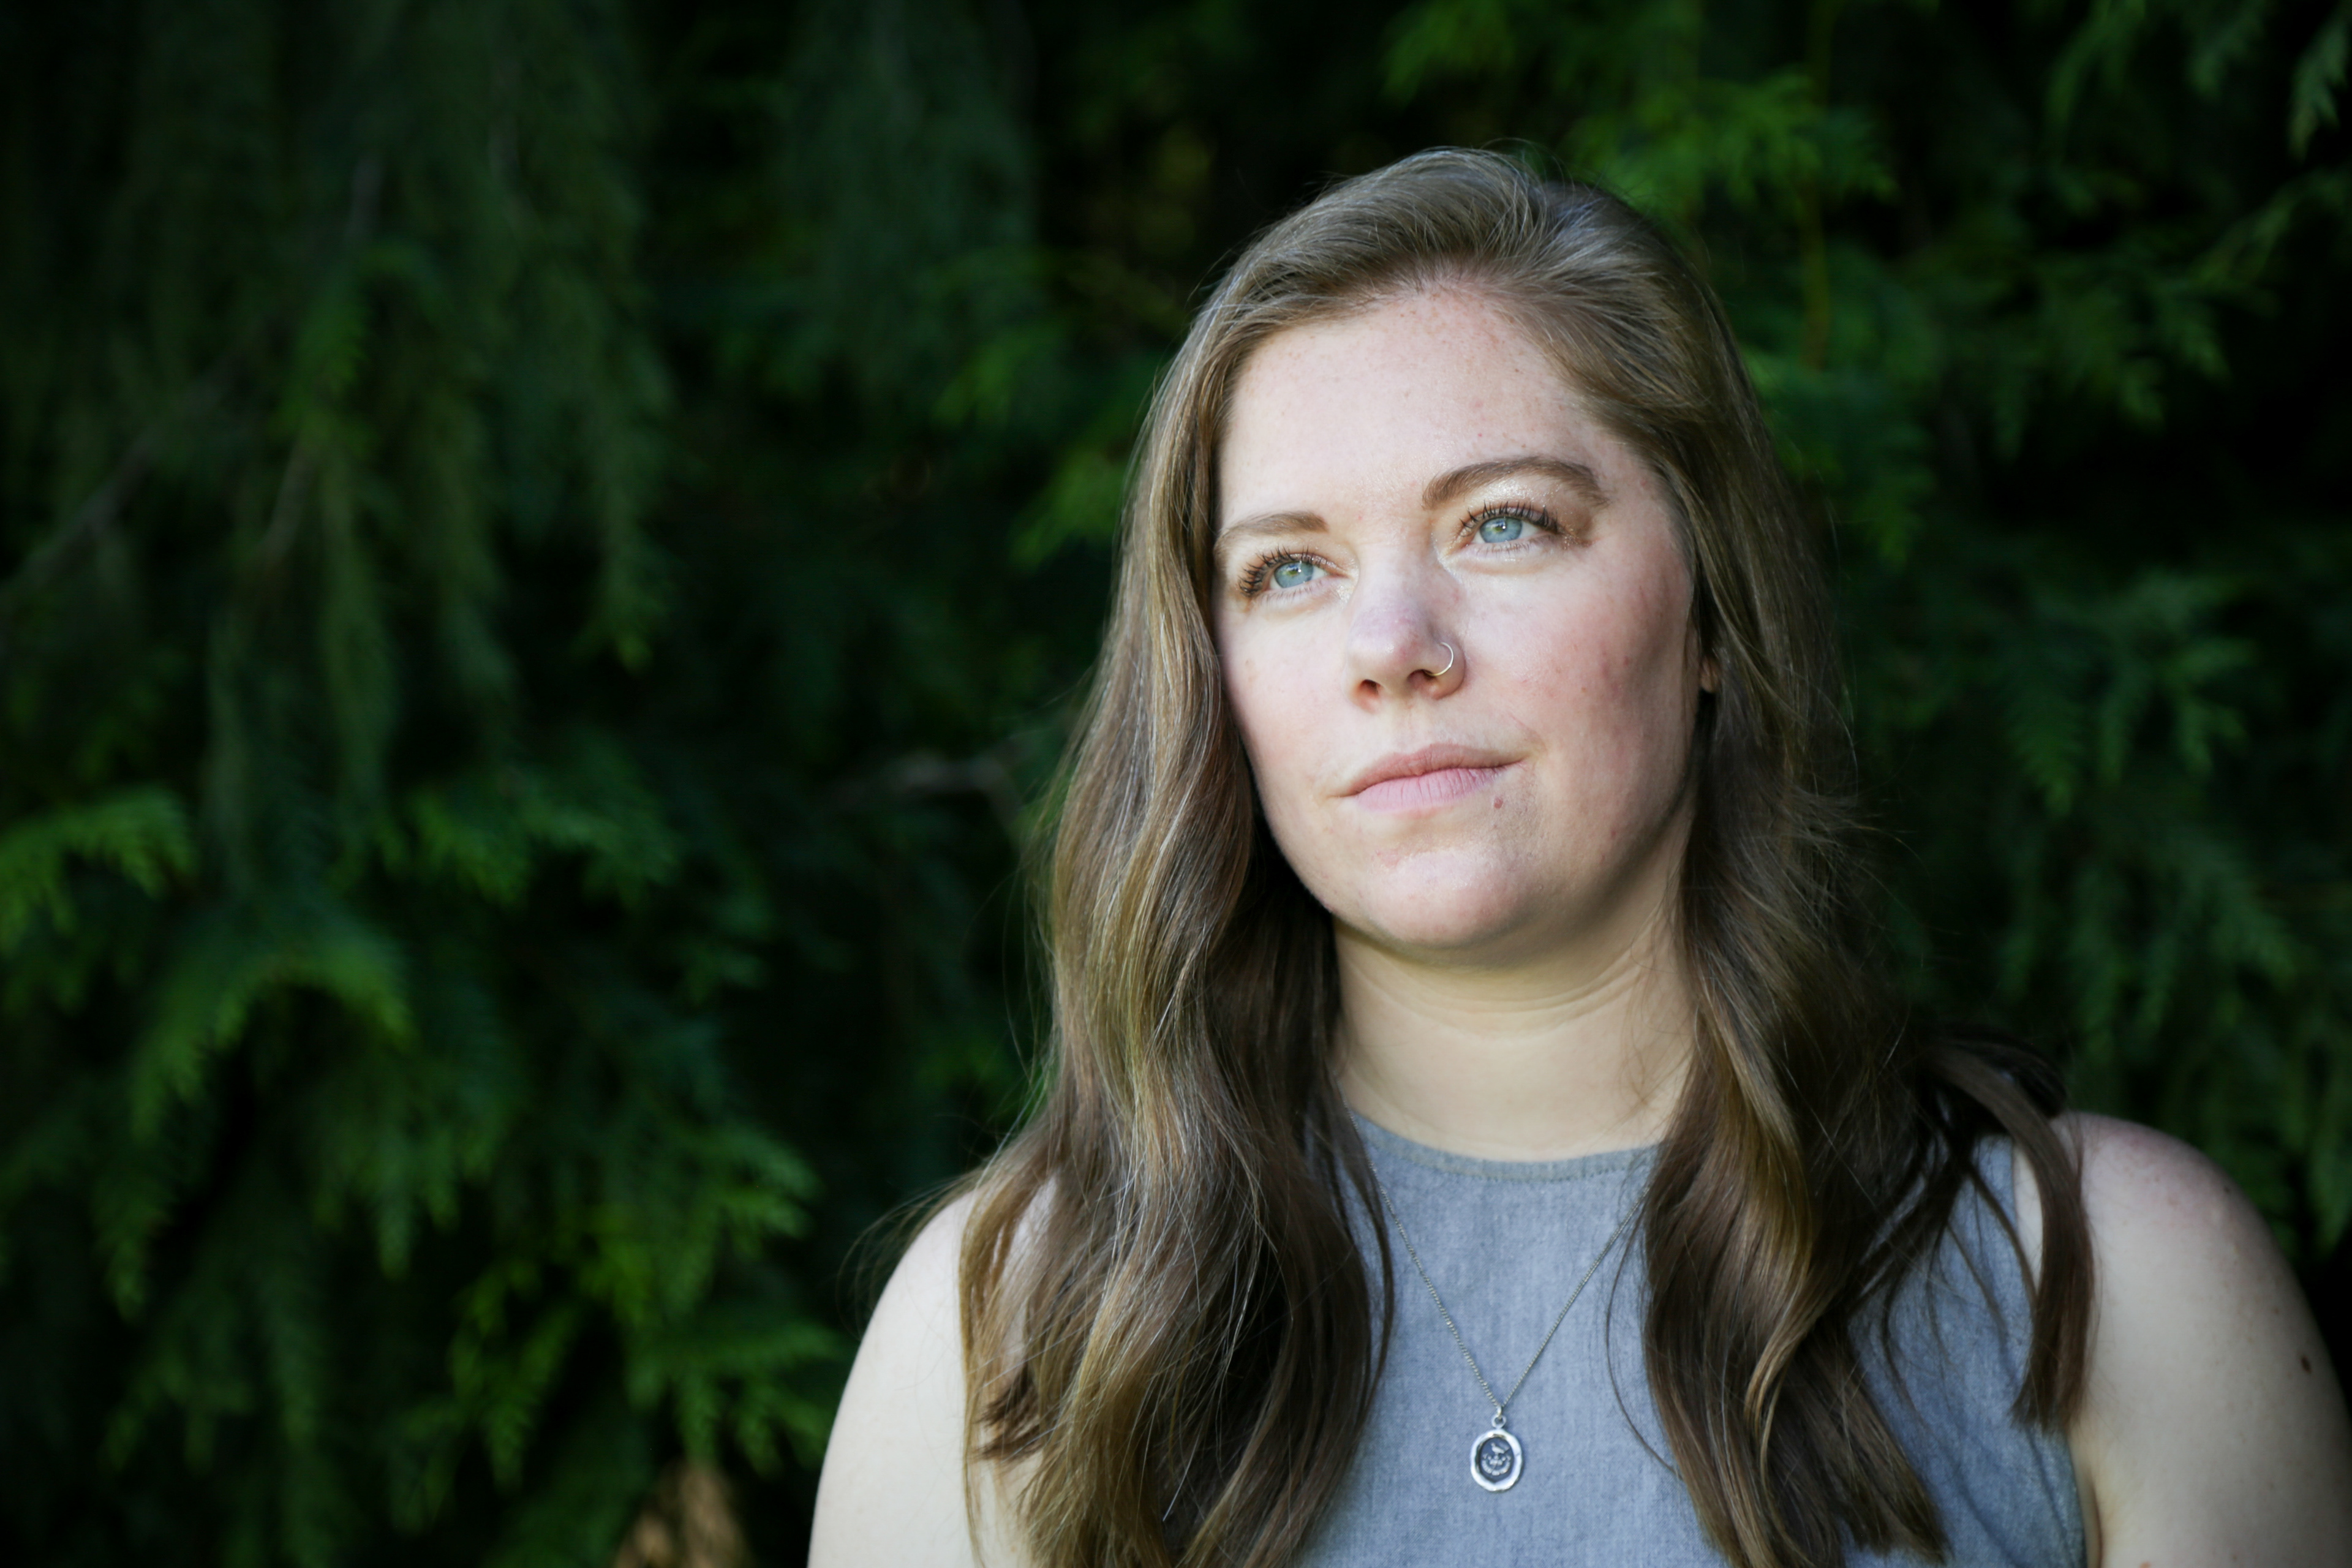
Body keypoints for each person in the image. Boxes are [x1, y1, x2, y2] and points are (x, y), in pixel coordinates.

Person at [808, 149, 2352, 1567]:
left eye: (1505, 526)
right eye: (1287, 567)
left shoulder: (2108, 1292)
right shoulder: (1010, 1331)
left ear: (1712, 618)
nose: (1390, 646)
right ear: (1210, 670)